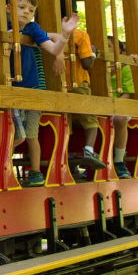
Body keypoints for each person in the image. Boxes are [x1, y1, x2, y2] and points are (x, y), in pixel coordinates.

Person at [8, 0, 79, 187]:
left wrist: (65, 35)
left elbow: (54, 49)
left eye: (31, 10)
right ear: (9, 9)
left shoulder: (32, 29)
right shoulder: (4, 27)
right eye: (22, 8)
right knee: (18, 134)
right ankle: (2, 165)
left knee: (31, 134)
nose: (26, 12)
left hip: (32, 89)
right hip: (10, 90)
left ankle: (36, 172)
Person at [51, 22, 106, 181]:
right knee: (89, 116)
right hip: (78, 82)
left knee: (63, 120)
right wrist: (93, 53)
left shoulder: (45, 32)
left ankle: (64, 156)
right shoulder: (80, 34)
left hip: (56, 84)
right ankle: (88, 149)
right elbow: (87, 63)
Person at [106, 37, 135, 179]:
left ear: (117, 50)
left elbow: (127, 92)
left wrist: (114, 107)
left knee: (120, 119)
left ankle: (118, 161)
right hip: (98, 105)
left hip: (118, 106)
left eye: (109, 46)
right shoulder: (96, 64)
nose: (106, 48)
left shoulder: (124, 66)